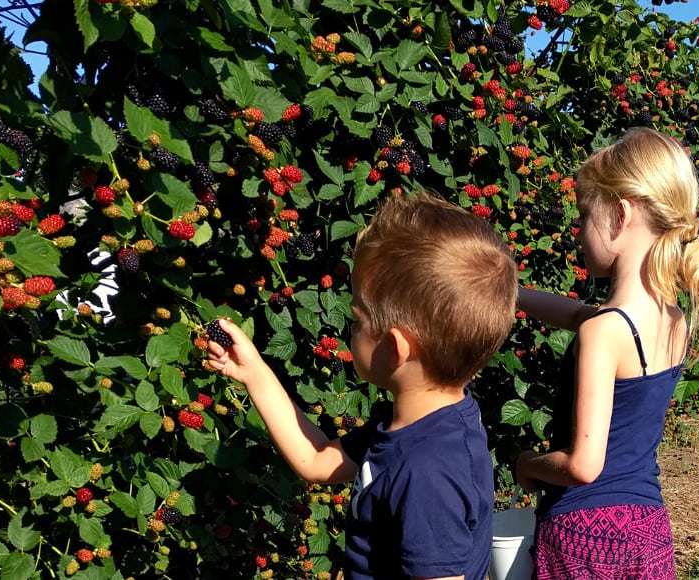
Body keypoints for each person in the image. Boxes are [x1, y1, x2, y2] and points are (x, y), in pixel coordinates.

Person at [206, 191, 518, 580]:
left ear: (394, 348)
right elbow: (316, 459)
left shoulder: (429, 471)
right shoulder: (413, 425)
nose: (349, 329)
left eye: (357, 320)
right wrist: (253, 371)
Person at [514, 127, 699, 579]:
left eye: (584, 213)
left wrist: (527, 464)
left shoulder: (604, 332)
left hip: (584, 534)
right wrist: (511, 292)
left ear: (620, 214)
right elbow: (577, 314)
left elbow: (583, 466)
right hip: (648, 528)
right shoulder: (674, 320)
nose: (578, 231)